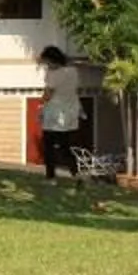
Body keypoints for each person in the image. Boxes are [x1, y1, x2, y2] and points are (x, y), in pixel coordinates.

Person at [37, 45, 84, 180]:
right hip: (70, 114)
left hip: (54, 115)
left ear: (52, 60)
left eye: (47, 62)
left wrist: (40, 107)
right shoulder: (73, 72)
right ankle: (76, 173)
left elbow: (48, 94)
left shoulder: (54, 74)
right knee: (65, 148)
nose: (46, 65)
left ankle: (50, 177)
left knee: (49, 148)